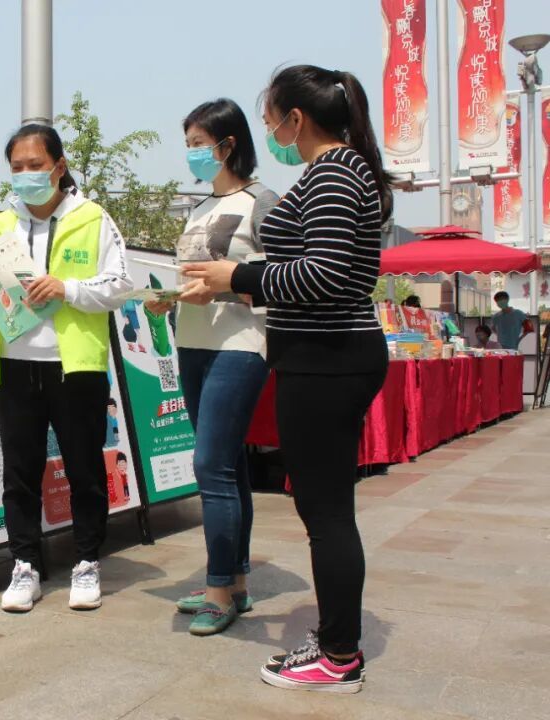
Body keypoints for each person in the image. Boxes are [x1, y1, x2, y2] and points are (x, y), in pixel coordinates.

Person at [185, 65, 391, 693]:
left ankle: (338, 656)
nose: (270, 131)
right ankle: (335, 641)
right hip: (320, 356)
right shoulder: (339, 170)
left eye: (272, 118)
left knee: (327, 515)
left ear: (296, 119)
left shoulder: (333, 173)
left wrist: (237, 277)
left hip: (328, 359)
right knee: (324, 511)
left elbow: (324, 274)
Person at [0, 124, 131, 613]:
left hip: (73, 367)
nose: (26, 175)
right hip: (14, 364)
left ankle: (86, 561)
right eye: (17, 167)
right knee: (19, 474)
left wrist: (67, 289)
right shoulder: (2, 223)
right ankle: (25, 566)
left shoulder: (93, 218)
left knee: (84, 470)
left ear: (59, 167)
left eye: (35, 165)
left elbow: (121, 286)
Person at [145, 98, 278, 637]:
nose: (192, 153)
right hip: (194, 343)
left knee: (209, 465)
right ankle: (235, 582)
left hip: (240, 345)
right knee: (228, 465)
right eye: (188, 145)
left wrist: (222, 292)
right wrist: (170, 299)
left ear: (228, 144)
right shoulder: (198, 209)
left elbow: (279, 282)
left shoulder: (263, 202)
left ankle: (218, 589)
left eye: (199, 144)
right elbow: (196, 278)